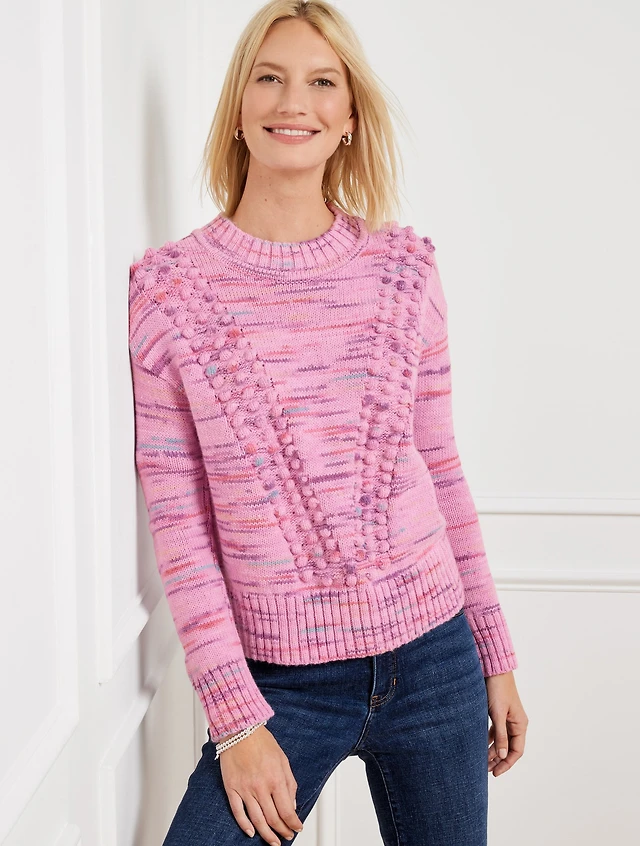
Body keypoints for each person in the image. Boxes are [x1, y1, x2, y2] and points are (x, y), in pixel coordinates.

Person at [128, 1, 529, 844]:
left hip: (435, 659)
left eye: (321, 83)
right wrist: (236, 721)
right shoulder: (168, 294)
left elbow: (441, 467)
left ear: (349, 118)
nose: (292, 103)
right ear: (238, 109)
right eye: (269, 79)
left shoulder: (405, 272)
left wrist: (494, 650)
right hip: (280, 686)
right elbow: (181, 527)